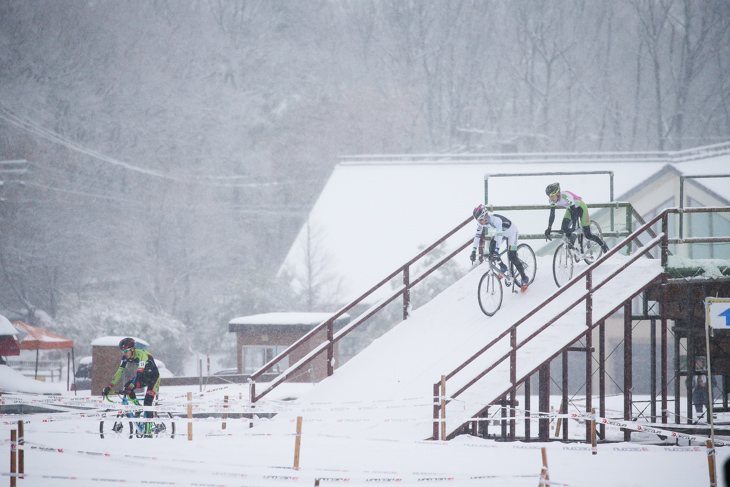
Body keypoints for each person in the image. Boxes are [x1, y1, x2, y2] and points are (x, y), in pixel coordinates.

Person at [102, 337, 160, 435]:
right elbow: (119, 371)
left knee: (147, 403)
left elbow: (139, 373)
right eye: (122, 351)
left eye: (125, 351)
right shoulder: (125, 357)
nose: (123, 353)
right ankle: (138, 408)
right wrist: (109, 386)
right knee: (127, 387)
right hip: (144, 377)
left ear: (132, 349)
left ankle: (148, 433)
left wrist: (132, 385)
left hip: (153, 378)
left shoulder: (142, 355)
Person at [470, 204, 529, 291]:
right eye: (478, 220)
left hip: (512, 232)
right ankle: (503, 267)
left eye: (480, 220)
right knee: (491, 250)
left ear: (485, 216)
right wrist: (473, 251)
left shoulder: (496, 221)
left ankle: (524, 278)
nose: (479, 222)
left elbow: (499, 235)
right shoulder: (481, 223)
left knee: (512, 256)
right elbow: (477, 236)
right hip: (501, 233)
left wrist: (497, 250)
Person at [543, 182, 609, 253]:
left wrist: (574, 226)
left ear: (558, 193)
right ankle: (573, 236)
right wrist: (549, 227)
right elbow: (552, 214)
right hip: (570, 209)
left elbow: (574, 212)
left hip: (581, 209)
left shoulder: (566, 196)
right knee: (564, 229)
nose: (551, 198)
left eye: (552, 196)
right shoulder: (551, 200)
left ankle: (602, 244)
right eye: (549, 196)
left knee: (588, 235)